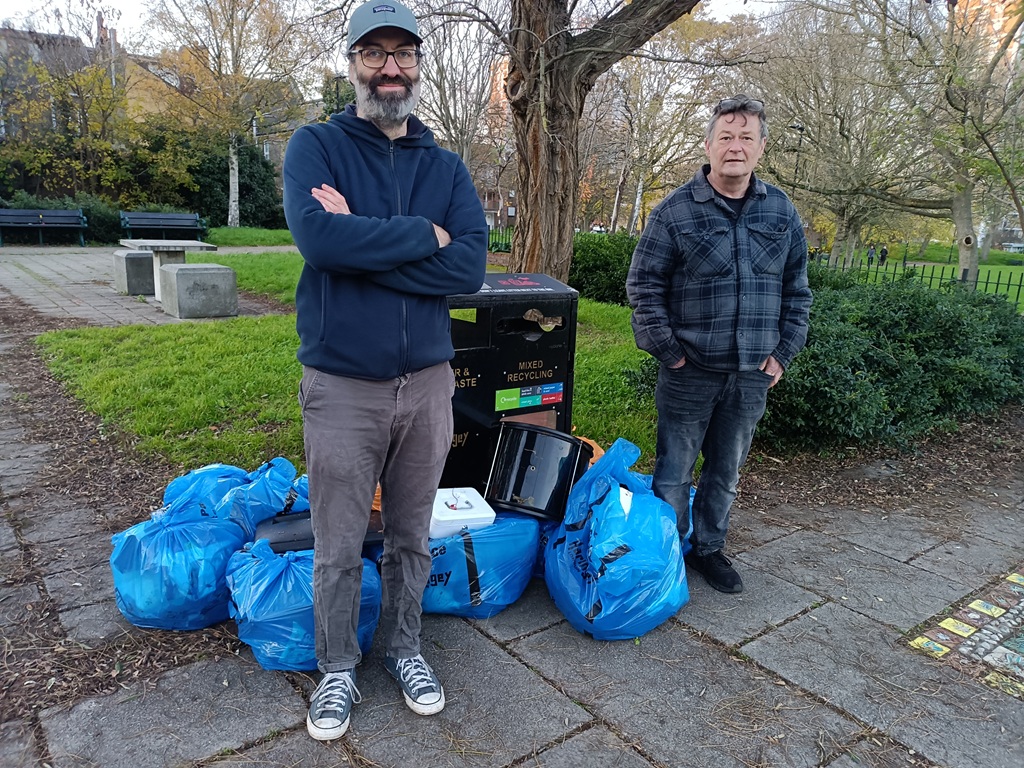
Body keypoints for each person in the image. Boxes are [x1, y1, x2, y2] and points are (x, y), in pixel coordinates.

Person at [282, 0, 487, 742]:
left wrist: (368, 245)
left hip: (429, 383)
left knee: (412, 535)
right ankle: (336, 667)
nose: (390, 67)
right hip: (342, 384)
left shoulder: (448, 166)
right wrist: (418, 238)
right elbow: (319, 242)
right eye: (375, 54)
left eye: (403, 53)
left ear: (420, 66)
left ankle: (404, 648)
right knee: (337, 540)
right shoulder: (317, 147)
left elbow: (467, 266)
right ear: (352, 64)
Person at [626, 94, 812, 594]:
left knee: (725, 473)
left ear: (761, 147)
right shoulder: (674, 212)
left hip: (752, 374)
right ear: (708, 145)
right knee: (673, 473)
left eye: (746, 137)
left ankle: (708, 550)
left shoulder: (781, 211)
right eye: (726, 137)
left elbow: (798, 289)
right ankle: (664, 559)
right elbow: (643, 286)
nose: (736, 146)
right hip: (689, 372)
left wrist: (783, 354)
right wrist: (670, 352)